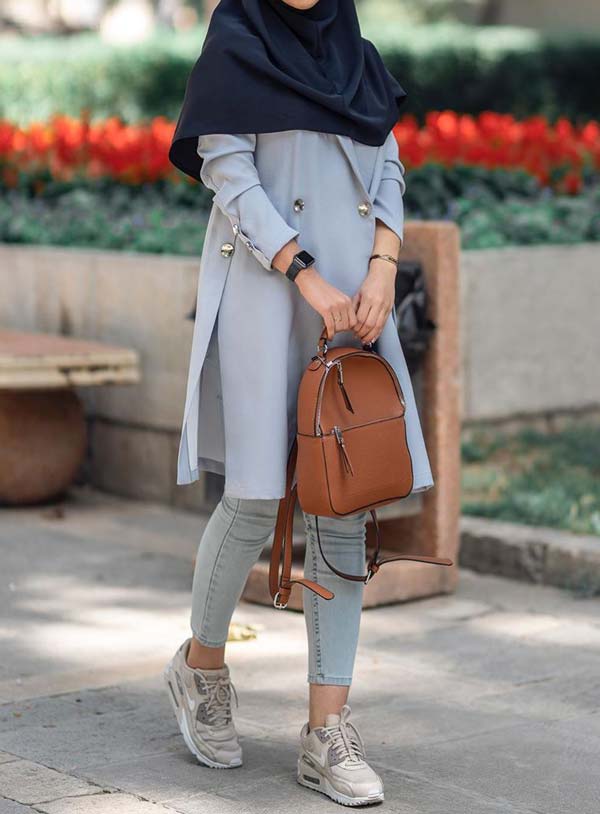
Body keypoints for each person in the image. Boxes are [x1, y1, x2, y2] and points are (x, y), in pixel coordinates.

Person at [163, 0, 434, 805]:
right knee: (252, 499)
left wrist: (383, 268)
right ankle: (201, 668)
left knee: (341, 503)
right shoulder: (236, 43)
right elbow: (228, 173)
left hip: (355, 300)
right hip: (266, 290)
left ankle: (326, 732)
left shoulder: (358, 57)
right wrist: (303, 273)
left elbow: (388, 166)